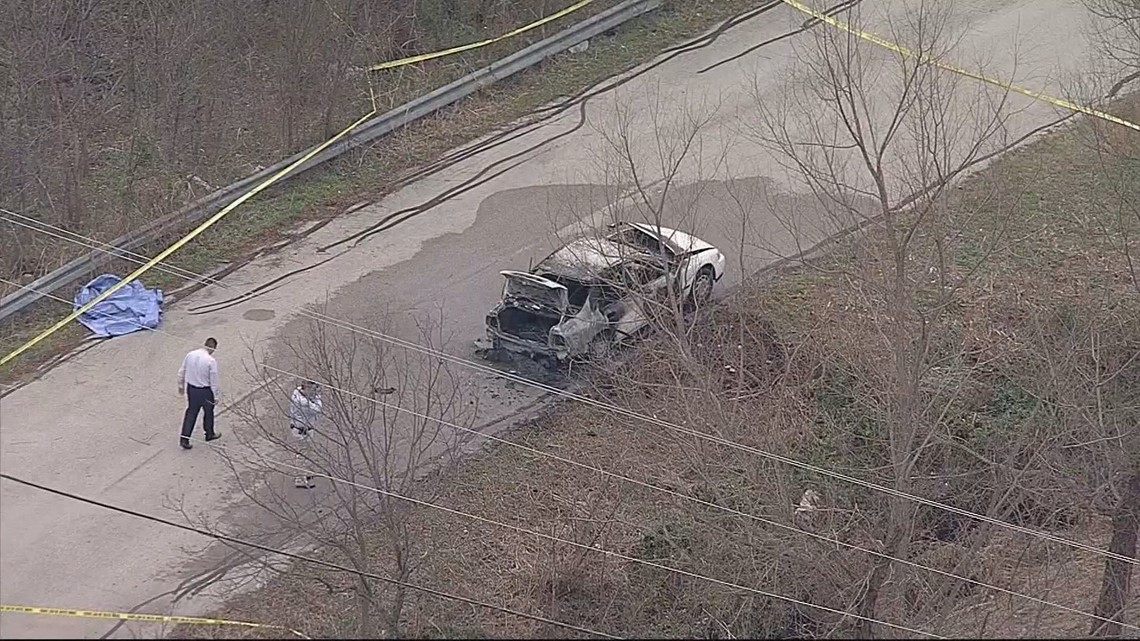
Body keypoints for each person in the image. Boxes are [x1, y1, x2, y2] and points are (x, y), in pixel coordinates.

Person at [177, 337, 222, 449]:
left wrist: (180, 385)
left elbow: (182, 371)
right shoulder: (211, 361)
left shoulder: (190, 355)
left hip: (192, 389)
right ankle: (209, 433)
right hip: (205, 391)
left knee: (191, 412)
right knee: (208, 412)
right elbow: (214, 381)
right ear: (213, 348)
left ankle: (184, 438)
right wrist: (215, 396)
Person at [288, 380, 323, 489]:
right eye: (312, 390)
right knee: (301, 455)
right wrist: (317, 397)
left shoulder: (297, 392)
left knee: (307, 453)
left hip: (305, 429)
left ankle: (306, 473)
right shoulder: (302, 402)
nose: (314, 392)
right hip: (301, 431)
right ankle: (300, 479)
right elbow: (318, 409)